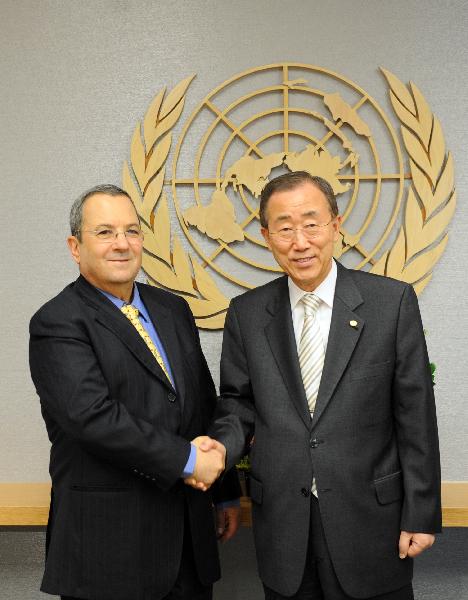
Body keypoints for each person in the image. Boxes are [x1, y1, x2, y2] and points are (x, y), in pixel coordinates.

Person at [189, 172, 441, 599]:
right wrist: (221, 448)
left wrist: (421, 513)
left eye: (311, 223)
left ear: (335, 226)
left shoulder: (390, 303)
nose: (300, 241)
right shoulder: (247, 314)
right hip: (285, 524)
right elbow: (238, 405)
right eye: (285, 228)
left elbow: (415, 416)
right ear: (268, 236)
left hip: (371, 521)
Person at [29, 184, 240, 600]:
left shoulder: (172, 310)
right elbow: (92, 417)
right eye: (105, 232)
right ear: (75, 246)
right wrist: (190, 460)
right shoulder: (58, 322)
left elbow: (201, 402)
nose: (122, 244)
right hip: (109, 551)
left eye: (131, 231)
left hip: (188, 543)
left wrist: (224, 490)